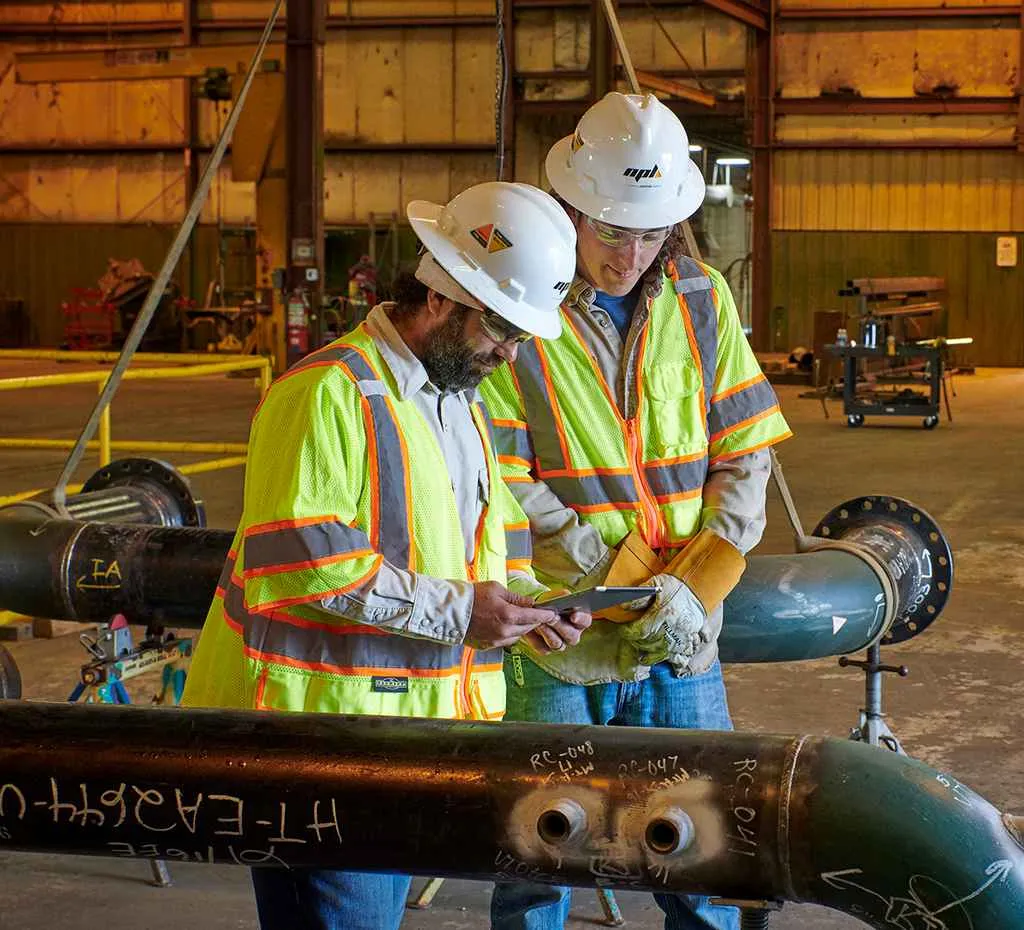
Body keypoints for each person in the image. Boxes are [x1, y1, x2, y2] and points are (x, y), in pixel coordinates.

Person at [181, 180, 591, 930]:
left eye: (521, 336)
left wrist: (527, 604)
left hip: (405, 741)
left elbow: (489, 541)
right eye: (500, 328)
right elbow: (304, 566)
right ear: (440, 295)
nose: (509, 352)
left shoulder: (459, 400)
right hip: (320, 745)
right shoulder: (325, 393)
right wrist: (465, 612)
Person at [481, 93, 792, 930]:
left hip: (681, 630)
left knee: (696, 850)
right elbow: (499, 470)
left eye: (650, 235)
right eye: (612, 231)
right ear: (572, 209)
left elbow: (744, 454)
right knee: (538, 858)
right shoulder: (523, 300)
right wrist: (606, 577)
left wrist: (698, 587)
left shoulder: (701, 299)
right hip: (560, 635)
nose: (629, 255)